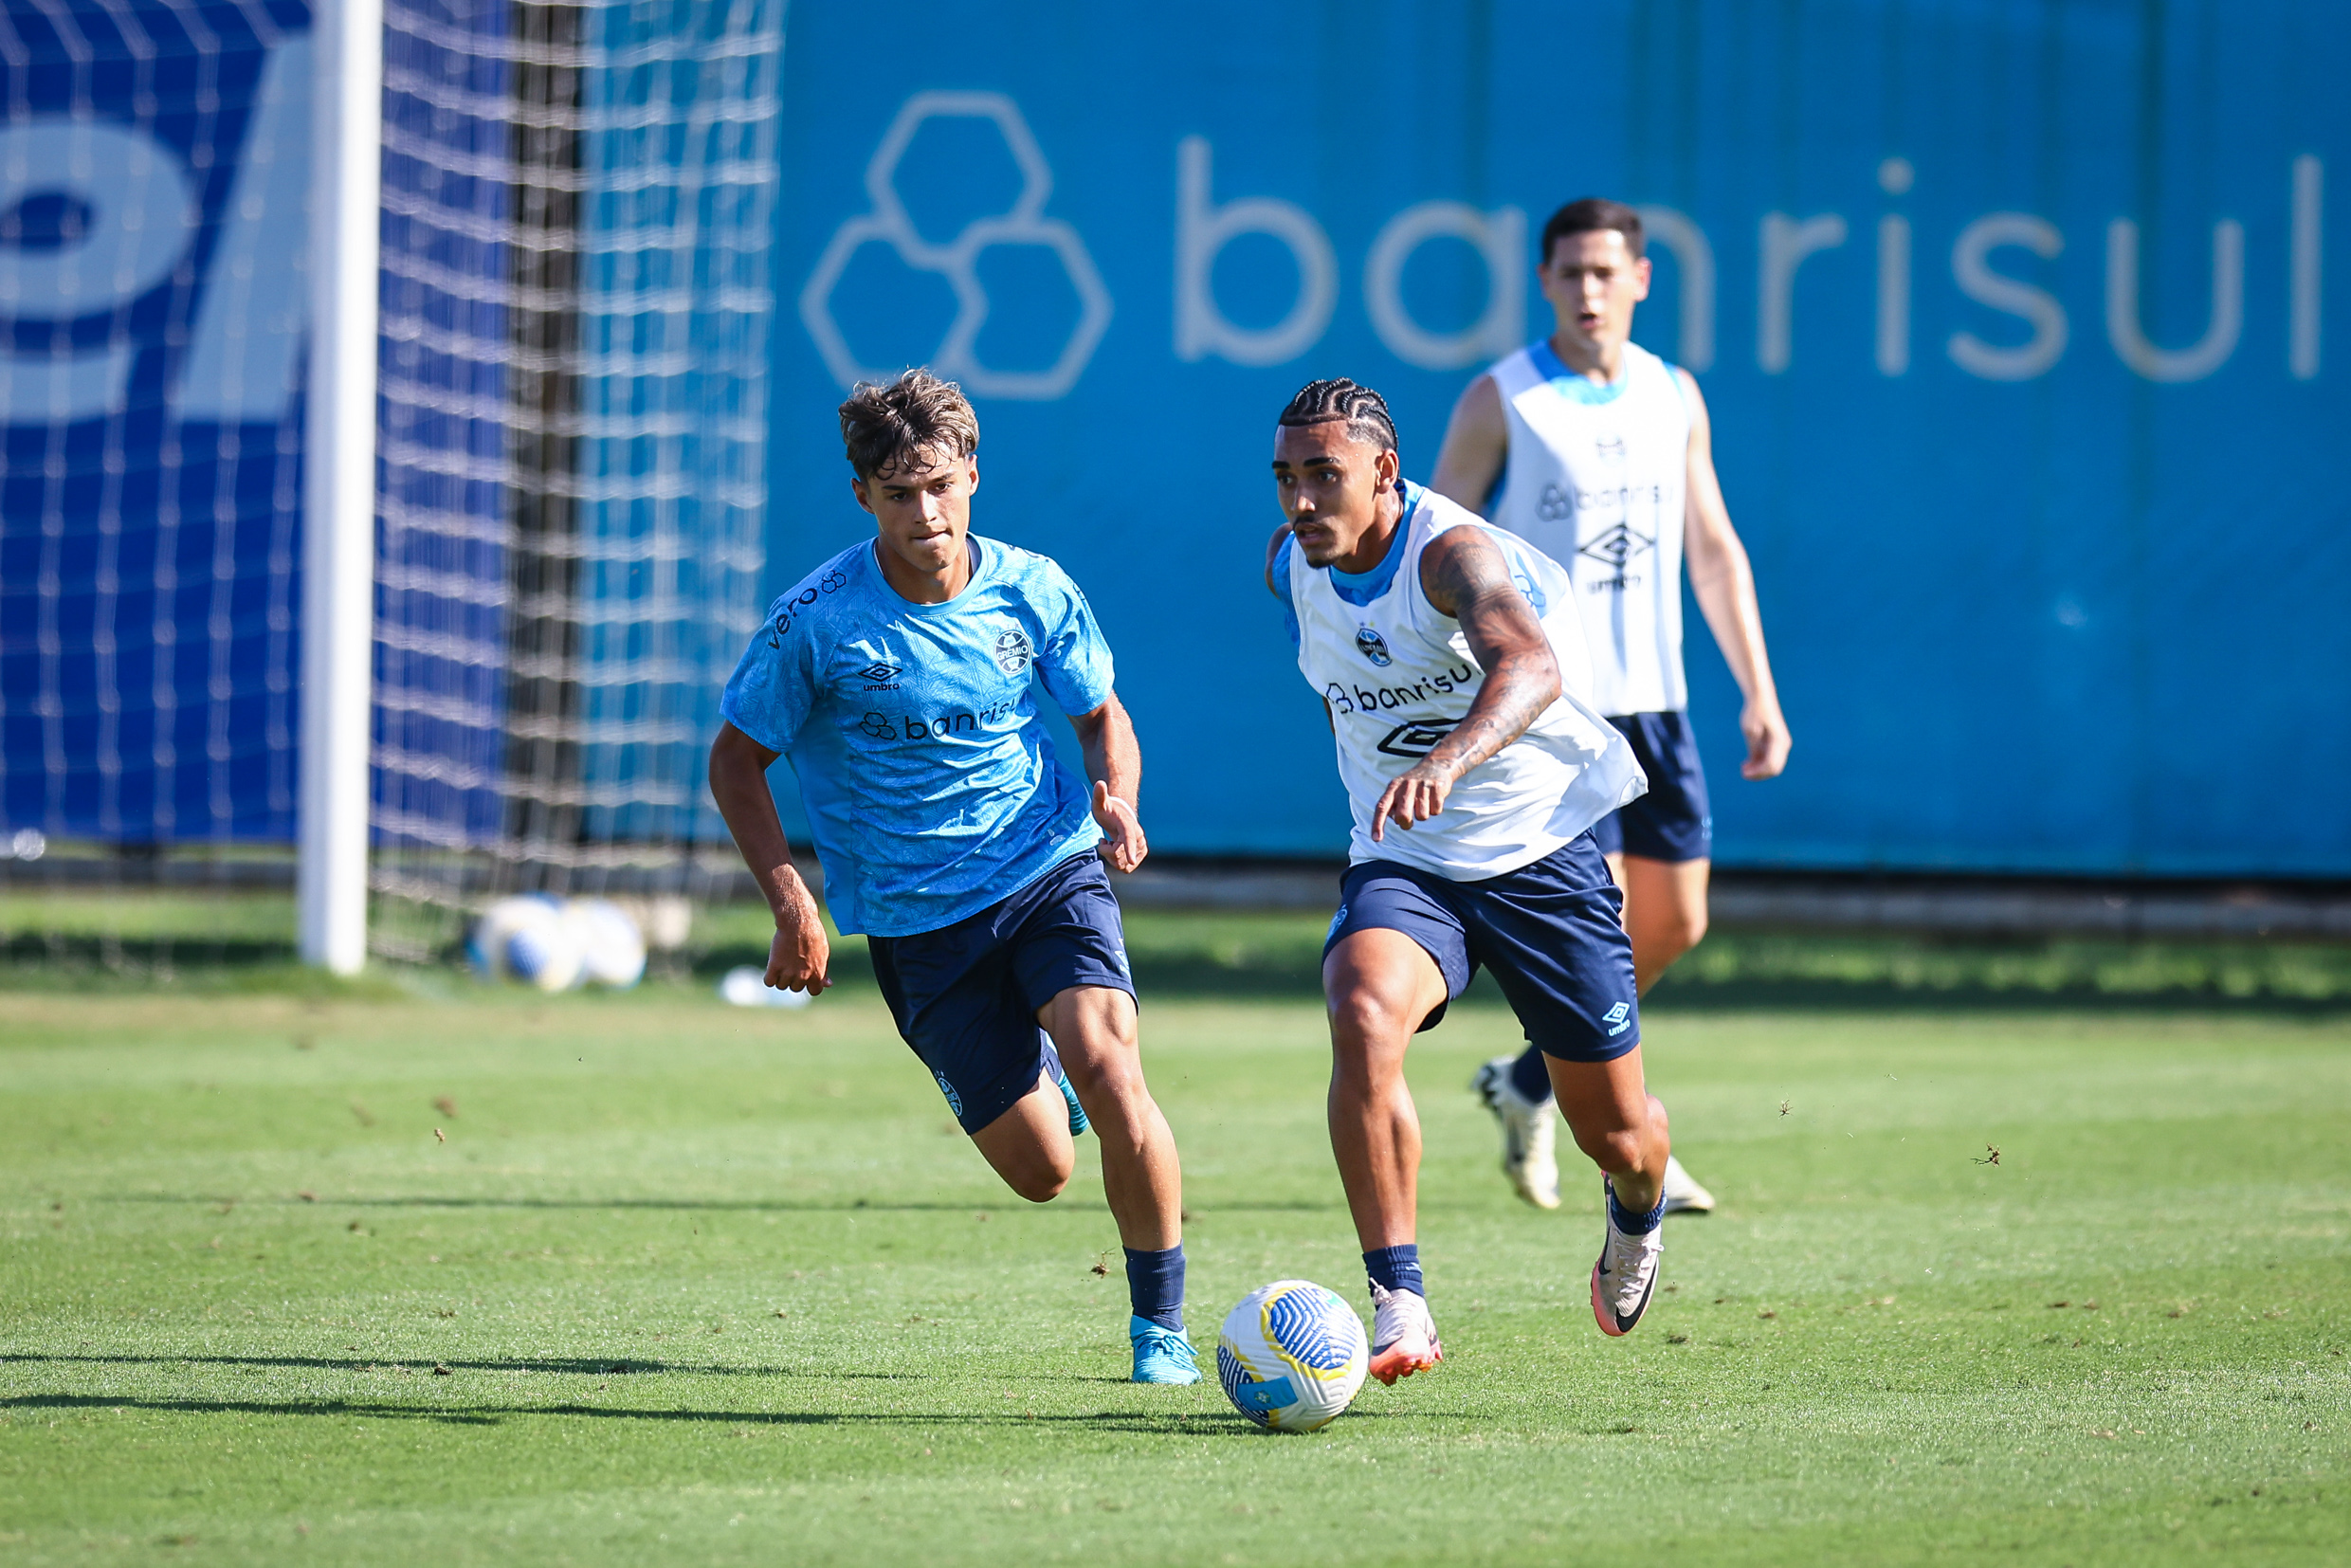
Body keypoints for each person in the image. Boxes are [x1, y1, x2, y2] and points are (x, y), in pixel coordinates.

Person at [707, 369, 1198, 1384]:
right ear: (863, 498)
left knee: (1115, 1070)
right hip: (915, 921)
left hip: (1047, 866)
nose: (923, 513)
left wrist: (1116, 795)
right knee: (1040, 1173)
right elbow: (734, 759)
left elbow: (1100, 714)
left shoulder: (1034, 587)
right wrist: (789, 895)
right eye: (897, 494)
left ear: (971, 474)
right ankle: (1038, 1073)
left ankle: (1160, 1329)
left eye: (938, 485)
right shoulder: (818, 620)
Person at [1264, 376, 1675, 1376]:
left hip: (1538, 852)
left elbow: (1530, 666)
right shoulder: (1289, 567)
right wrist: (1384, 799)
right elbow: (1340, 689)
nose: (1302, 500)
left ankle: (1637, 1214)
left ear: (1384, 473)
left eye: (1326, 475)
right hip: (1406, 860)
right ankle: (1398, 1298)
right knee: (1361, 1012)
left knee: (1617, 1136)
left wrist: (1443, 760)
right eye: (1285, 478)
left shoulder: (1448, 554)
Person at [1431, 197, 1793, 1216]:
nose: (1587, 291)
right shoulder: (1500, 398)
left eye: (1606, 272)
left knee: (1674, 921)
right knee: (1598, 928)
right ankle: (1635, 1140)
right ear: (1543, 282)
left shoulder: (1671, 392)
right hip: (1552, 715)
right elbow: (1437, 545)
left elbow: (1712, 549)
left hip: (1659, 707)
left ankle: (1528, 1081)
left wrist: (1757, 690)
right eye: (1569, 274)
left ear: (1638, 281)